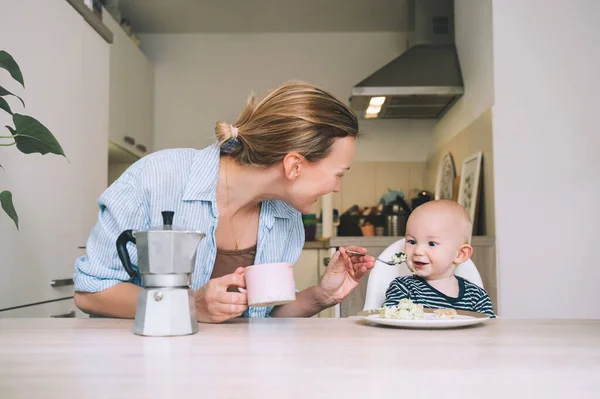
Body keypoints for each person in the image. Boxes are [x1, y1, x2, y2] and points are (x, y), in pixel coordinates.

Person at [73, 82, 375, 322]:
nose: (337, 187)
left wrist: (323, 294)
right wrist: (192, 305)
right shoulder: (156, 177)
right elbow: (91, 293)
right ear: (294, 165)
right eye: (338, 174)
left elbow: (267, 313)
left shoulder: (286, 215)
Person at [382, 200, 495, 317]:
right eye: (412, 242)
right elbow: (390, 321)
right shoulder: (402, 288)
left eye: (432, 244)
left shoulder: (476, 297)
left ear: (460, 254)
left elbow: (489, 330)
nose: (417, 251)